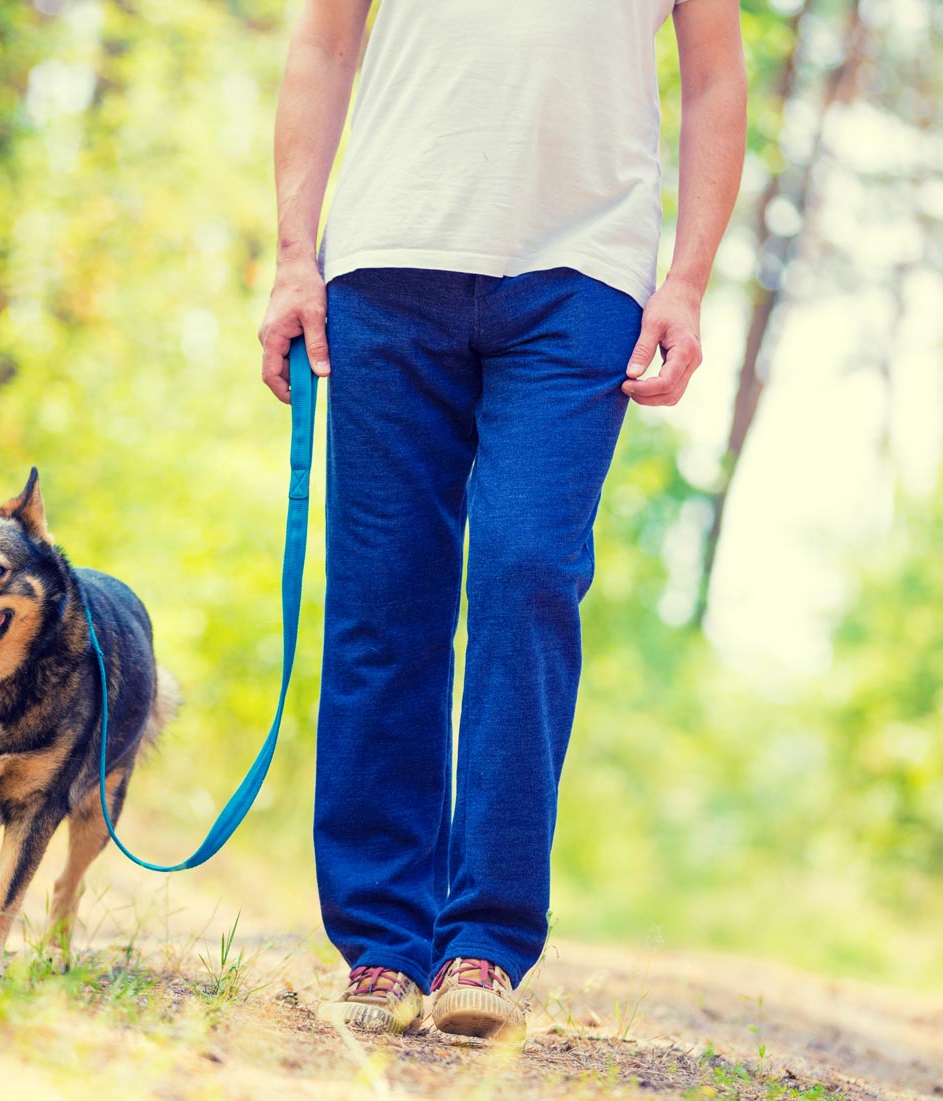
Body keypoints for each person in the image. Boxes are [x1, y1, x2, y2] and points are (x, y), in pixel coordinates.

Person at [259, 0, 747, 1039]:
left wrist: (690, 279)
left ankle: (482, 937)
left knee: (528, 571)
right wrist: (294, 255)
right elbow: (321, 41)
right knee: (384, 597)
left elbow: (712, 78)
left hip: (585, 275)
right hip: (390, 257)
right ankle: (383, 947)